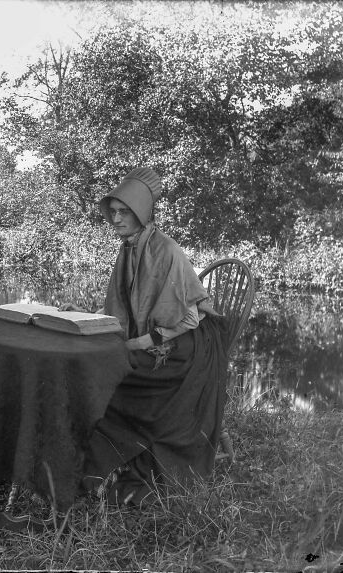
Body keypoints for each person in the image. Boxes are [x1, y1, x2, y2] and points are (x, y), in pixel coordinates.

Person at [62, 167, 230, 506]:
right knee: (107, 361)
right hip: (160, 336)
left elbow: (190, 316)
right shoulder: (128, 249)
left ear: (141, 213)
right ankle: (108, 459)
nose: (117, 219)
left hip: (189, 346)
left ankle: (125, 460)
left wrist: (141, 342)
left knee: (120, 370)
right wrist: (84, 316)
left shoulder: (167, 250)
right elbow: (125, 308)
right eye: (113, 212)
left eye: (124, 212)